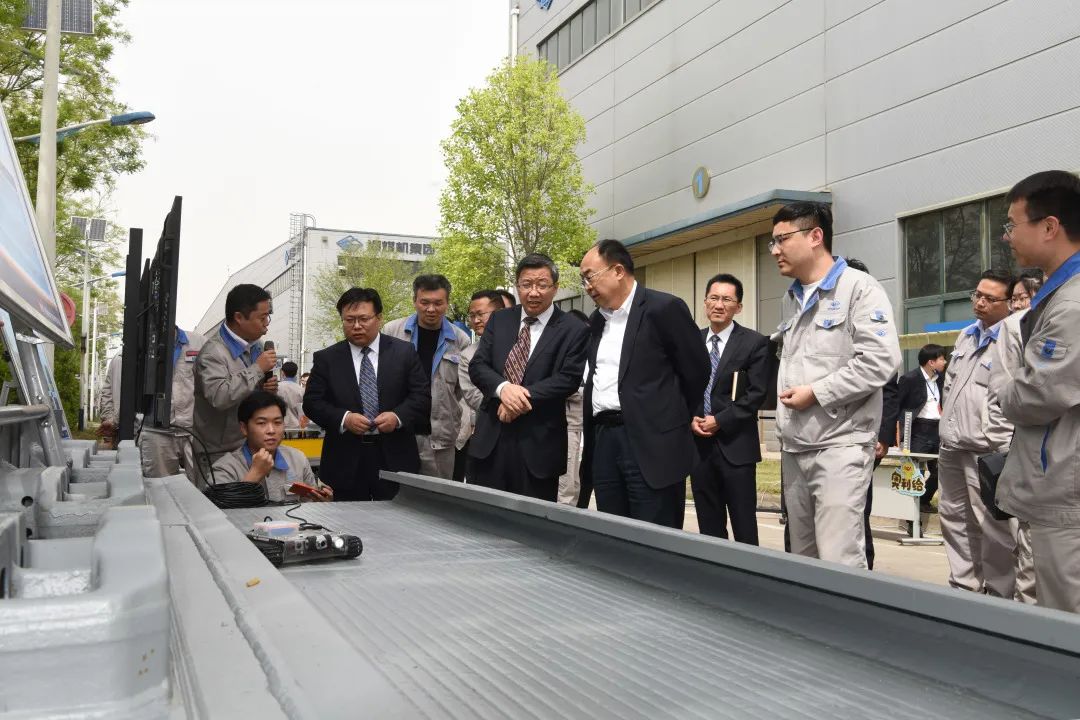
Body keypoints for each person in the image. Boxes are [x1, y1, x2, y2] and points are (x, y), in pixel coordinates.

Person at [770, 201, 900, 568]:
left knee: (839, 558)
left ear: (815, 236)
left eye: (782, 239)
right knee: (802, 559)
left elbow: (881, 361)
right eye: (772, 242)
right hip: (795, 446)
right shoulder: (791, 298)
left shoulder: (860, 288)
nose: (775, 250)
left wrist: (816, 393)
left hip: (840, 445)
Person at [577, 239, 709, 527]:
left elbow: (696, 371)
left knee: (654, 532)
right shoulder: (596, 321)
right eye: (583, 280)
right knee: (614, 532)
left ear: (618, 271)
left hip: (652, 443)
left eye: (590, 276)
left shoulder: (663, 308)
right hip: (605, 439)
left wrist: (669, 418)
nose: (587, 286)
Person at [996, 170, 1080, 613]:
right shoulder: (1060, 294)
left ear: (1049, 227)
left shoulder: (1071, 304)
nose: (1007, 236)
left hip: (1068, 489)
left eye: (1012, 224)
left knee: (1066, 614)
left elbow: (1038, 394)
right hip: (1060, 482)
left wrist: (1002, 385)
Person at [467, 254, 589, 500]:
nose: (533, 292)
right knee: (483, 515)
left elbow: (568, 378)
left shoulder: (573, 328)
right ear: (517, 286)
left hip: (539, 445)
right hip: (491, 440)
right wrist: (503, 389)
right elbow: (478, 365)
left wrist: (518, 398)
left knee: (532, 518)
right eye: (526, 284)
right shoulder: (500, 319)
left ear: (555, 288)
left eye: (542, 285)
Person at [303, 287, 431, 501]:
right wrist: (344, 419)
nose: (356, 326)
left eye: (363, 319)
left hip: (395, 457)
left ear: (379, 318)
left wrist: (397, 417)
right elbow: (312, 402)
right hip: (345, 459)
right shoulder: (327, 358)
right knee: (346, 519)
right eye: (349, 320)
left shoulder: (404, 353)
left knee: (396, 518)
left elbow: (421, 396)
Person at [938, 268, 1015, 597]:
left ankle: (999, 595)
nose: (980, 303)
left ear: (1009, 303)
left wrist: (1001, 445)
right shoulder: (966, 335)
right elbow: (950, 386)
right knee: (954, 519)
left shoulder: (1012, 338)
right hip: (952, 446)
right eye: (977, 295)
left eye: (990, 298)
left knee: (993, 526)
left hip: (986, 449)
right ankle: (963, 588)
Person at [689, 273, 769, 544]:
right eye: (713, 298)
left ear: (739, 307)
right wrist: (691, 418)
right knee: (708, 526)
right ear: (705, 302)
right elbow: (681, 387)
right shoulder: (692, 341)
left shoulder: (754, 343)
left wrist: (720, 420)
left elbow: (756, 394)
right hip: (699, 448)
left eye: (726, 299)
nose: (719, 305)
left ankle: (750, 571)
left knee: (744, 526)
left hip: (736, 448)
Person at [383, 275, 471, 479]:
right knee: (397, 492)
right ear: (414, 301)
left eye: (438, 303)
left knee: (436, 494)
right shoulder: (392, 331)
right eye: (425, 302)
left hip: (439, 438)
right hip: (398, 433)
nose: (431, 309)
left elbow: (462, 390)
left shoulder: (460, 340)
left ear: (447, 303)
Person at [993, 273, 1045, 605]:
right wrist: (1001, 447)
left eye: (1020, 298)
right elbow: (1004, 394)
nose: (1016, 305)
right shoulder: (1016, 327)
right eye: (1013, 299)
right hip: (1033, 455)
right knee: (1031, 559)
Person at [192, 284, 277, 484]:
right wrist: (257, 369)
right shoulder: (213, 353)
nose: (266, 324)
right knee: (222, 501)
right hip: (217, 453)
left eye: (268, 317)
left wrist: (265, 389)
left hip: (249, 447)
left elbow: (247, 393)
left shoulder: (256, 347)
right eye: (262, 318)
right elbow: (219, 396)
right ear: (239, 317)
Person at [210, 391, 332, 503]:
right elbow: (219, 512)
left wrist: (322, 503)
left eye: (277, 422)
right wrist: (254, 475)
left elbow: (309, 506)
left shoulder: (298, 460)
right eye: (261, 423)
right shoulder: (226, 468)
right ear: (244, 428)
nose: (271, 430)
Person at [140, 327, 207, 478]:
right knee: (160, 487)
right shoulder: (141, 345)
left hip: (195, 432)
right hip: (157, 433)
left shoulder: (199, 343)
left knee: (203, 487)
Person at [454, 290, 504, 482]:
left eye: (480, 314)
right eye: (472, 315)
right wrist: (508, 403)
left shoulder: (522, 344)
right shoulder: (468, 355)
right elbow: (473, 396)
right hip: (489, 428)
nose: (475, 320)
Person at [896, 344, 947, 513]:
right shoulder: (910, 379)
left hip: (938, 429)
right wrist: (898, 434)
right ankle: (911, 516)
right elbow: (898, 405)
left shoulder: (941, 379)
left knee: (942, 469)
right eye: (941, 359)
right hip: (918, 430)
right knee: (913, 472)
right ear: (931, 362)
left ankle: (923, 500)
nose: (944, 362)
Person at [558, 309, 590, 505]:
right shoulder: (561, 353)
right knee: (566, 484)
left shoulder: (588, 355)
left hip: (583, 426)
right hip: (568, 425)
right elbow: (560, 385)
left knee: (576, 482)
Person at [97, 352, 123, 449]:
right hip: (126, 430)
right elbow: (116, 397)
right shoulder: (121, 358)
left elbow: (108, 394)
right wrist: (112, 421)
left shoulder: (119, 358)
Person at [276, 361, 305, 428]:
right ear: (296, 373)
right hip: (296, 426)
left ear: (282, 372)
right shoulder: (301, 390)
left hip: (279, 425)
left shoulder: (276, 388)